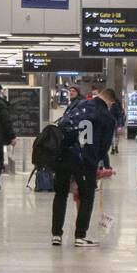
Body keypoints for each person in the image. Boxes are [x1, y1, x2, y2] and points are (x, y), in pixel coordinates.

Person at [51, 87, 117, 247]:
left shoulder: (78, 105)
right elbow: (104, 147)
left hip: (64, 156)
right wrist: (97, 162)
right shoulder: (107, 116)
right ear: (111, 102)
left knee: (60, 194)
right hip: (85, 160)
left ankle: (56, 235)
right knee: (87, 196)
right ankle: (80, 236)